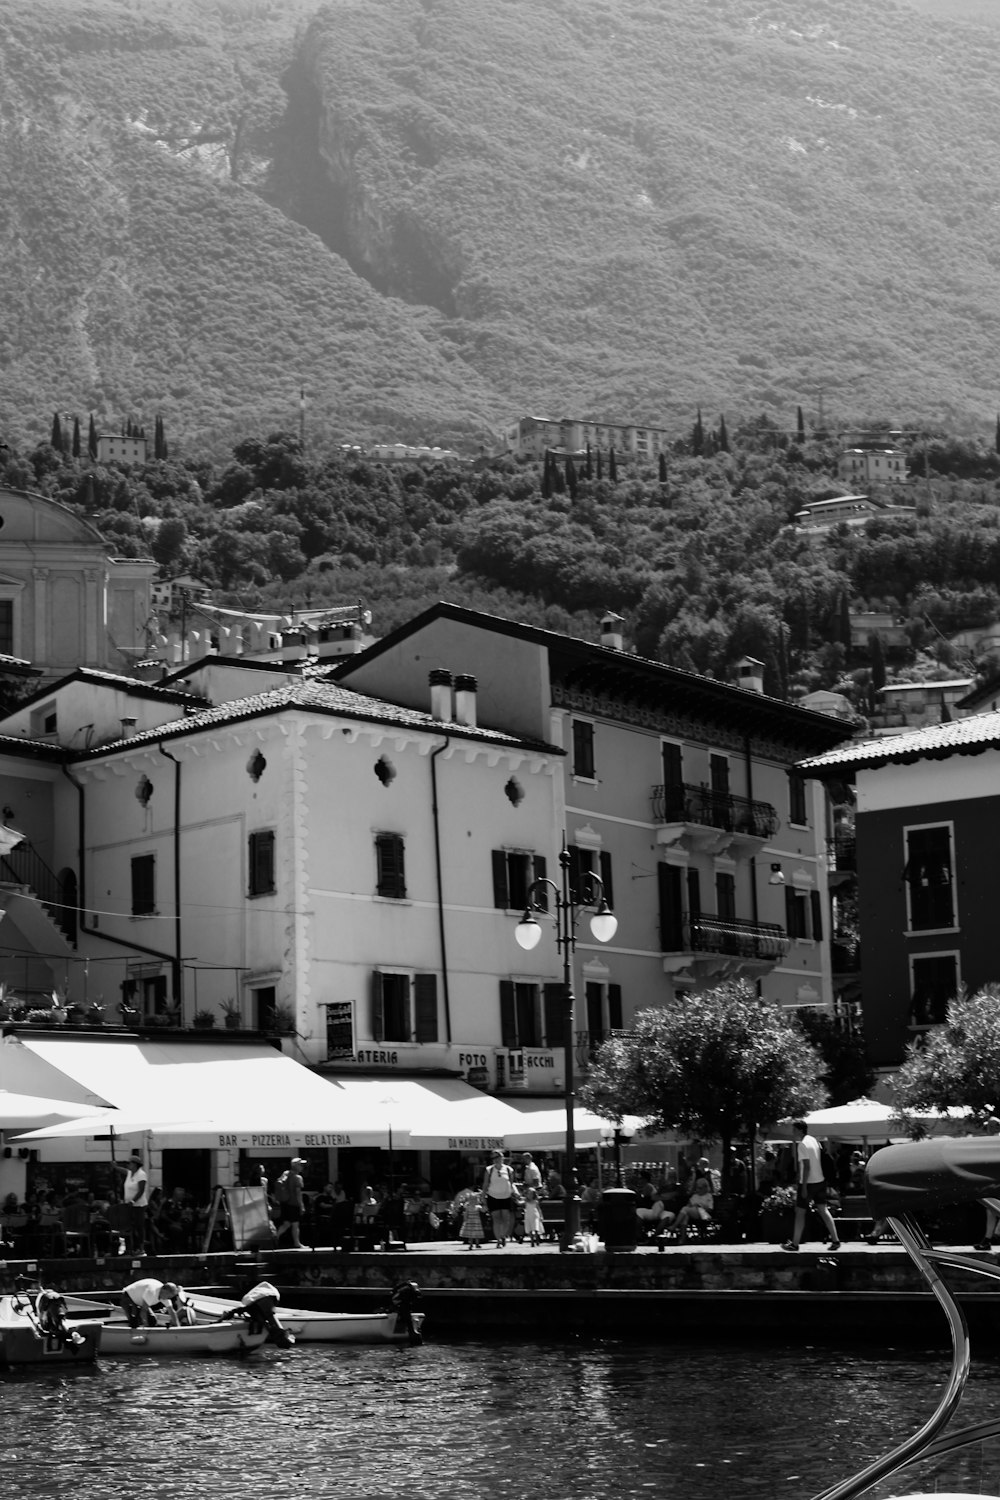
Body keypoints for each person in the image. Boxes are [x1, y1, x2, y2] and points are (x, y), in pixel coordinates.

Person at [782, 1120, 842, 1252]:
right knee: (823, 1210)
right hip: (820, 1181)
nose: (793, 1132)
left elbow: (807, 1167)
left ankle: (795, 1243)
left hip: (809, 1183)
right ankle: (835, 1240)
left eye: (794, 1130)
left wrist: (803, 1187)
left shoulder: (802, 1145)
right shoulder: (813, 1140)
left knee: (800, 1212)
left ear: (800, 1130)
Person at [116, 1149, 148, 1253]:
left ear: (135, 1164)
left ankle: (141, 1247)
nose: (128, 1165)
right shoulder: (130, 1173)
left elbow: (141, 1190)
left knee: (139, 1226)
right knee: (130, 1226)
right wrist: (115, 1167)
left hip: (138, 1205)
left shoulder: (141, 1174)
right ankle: (131, 1247)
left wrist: (133, 1201)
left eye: (130, 1163)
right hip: (129, 1205)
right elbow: (123, 1170)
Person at [483, 1150, 517, 1247]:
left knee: (506, 1218)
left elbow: (511, 1183)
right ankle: (498, 1240)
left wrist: (515, 1192)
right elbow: (485, 1184)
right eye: (493, 1158)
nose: (496, 1160)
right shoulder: (489, 1170)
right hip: (493, 1196)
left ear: (502, 1158)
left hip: (506, 1196)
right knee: (497, 1218)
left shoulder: (509, 1170)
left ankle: (503, 1236)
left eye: (497, 1157)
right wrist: (483, 1196)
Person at [274, 1157, 309, 1249]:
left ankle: (274, 1237)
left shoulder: (285, 1173)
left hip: (284, 1203)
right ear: (296, 1166)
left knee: (286, 1224)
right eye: (300, 1165)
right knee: (295, 1224)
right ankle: (297, 1243)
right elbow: (298, 1193)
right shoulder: (298, 1178)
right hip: (294, 1204)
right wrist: (301, 1206)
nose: (302, 1167)